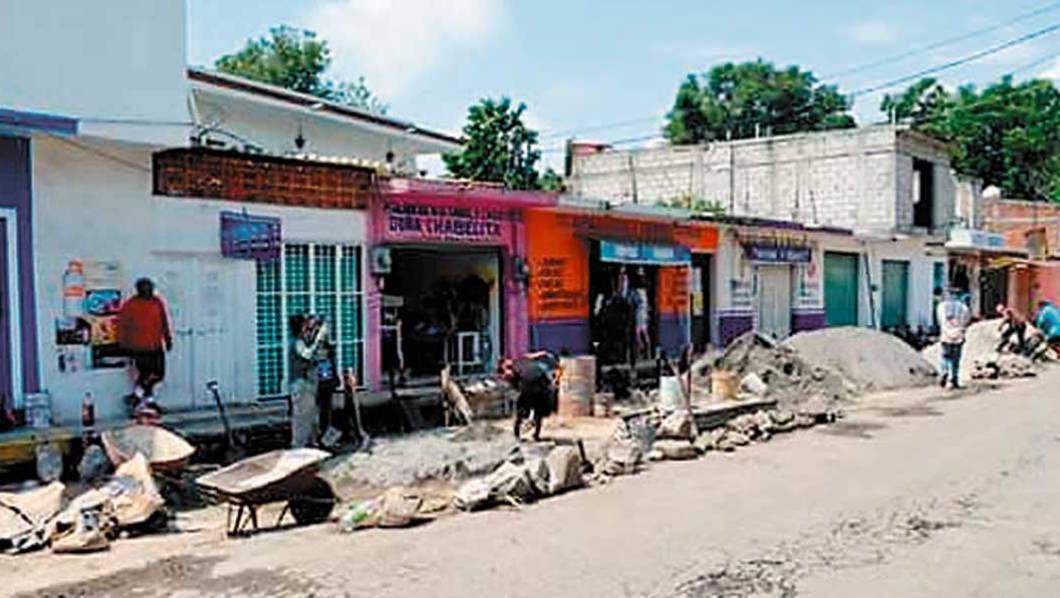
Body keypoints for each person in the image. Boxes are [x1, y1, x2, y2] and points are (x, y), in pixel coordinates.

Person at [117, 278, 172, 412]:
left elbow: (164, 321)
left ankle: (136, 395)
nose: (149, 291)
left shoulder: (157, 302)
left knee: (158, 374)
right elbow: (122, 326)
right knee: (145, 374)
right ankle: (148, 403)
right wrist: (124, 346)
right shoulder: (130, 305)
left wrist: (168, 338)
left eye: (150, 288)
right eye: (146, 288)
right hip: (138, 346)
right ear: (139, 290)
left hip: (156, 345)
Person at [500, 351, 559, 441]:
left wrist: (544, 354)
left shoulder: (521, 361)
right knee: (523, 413)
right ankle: (518, 434)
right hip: (531, 387)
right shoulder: (516, 369)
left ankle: (533, 435)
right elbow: (512, 381)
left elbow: (533, 356)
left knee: (537, 413)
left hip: (538, 385)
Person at [289, 314, 326, 448]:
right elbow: (308, 355)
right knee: (302, 419)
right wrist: (318, 338)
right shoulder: (297, 342)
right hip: (301, 384)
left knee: (311, 417)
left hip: (308, 384)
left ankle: (311, 444)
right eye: (306, 324)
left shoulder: (304, 341)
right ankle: (298, 447)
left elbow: (318, 355)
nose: (309, 326)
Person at [935, 287, 971, 389]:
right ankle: (953, 378)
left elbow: (939, 321)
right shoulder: (964, 308)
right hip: (958, 336)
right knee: (956, 359)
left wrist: (946, 328)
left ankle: (944, 372)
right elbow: (966, 321)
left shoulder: (941, 307)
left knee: (945, 357)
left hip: (946, 336)